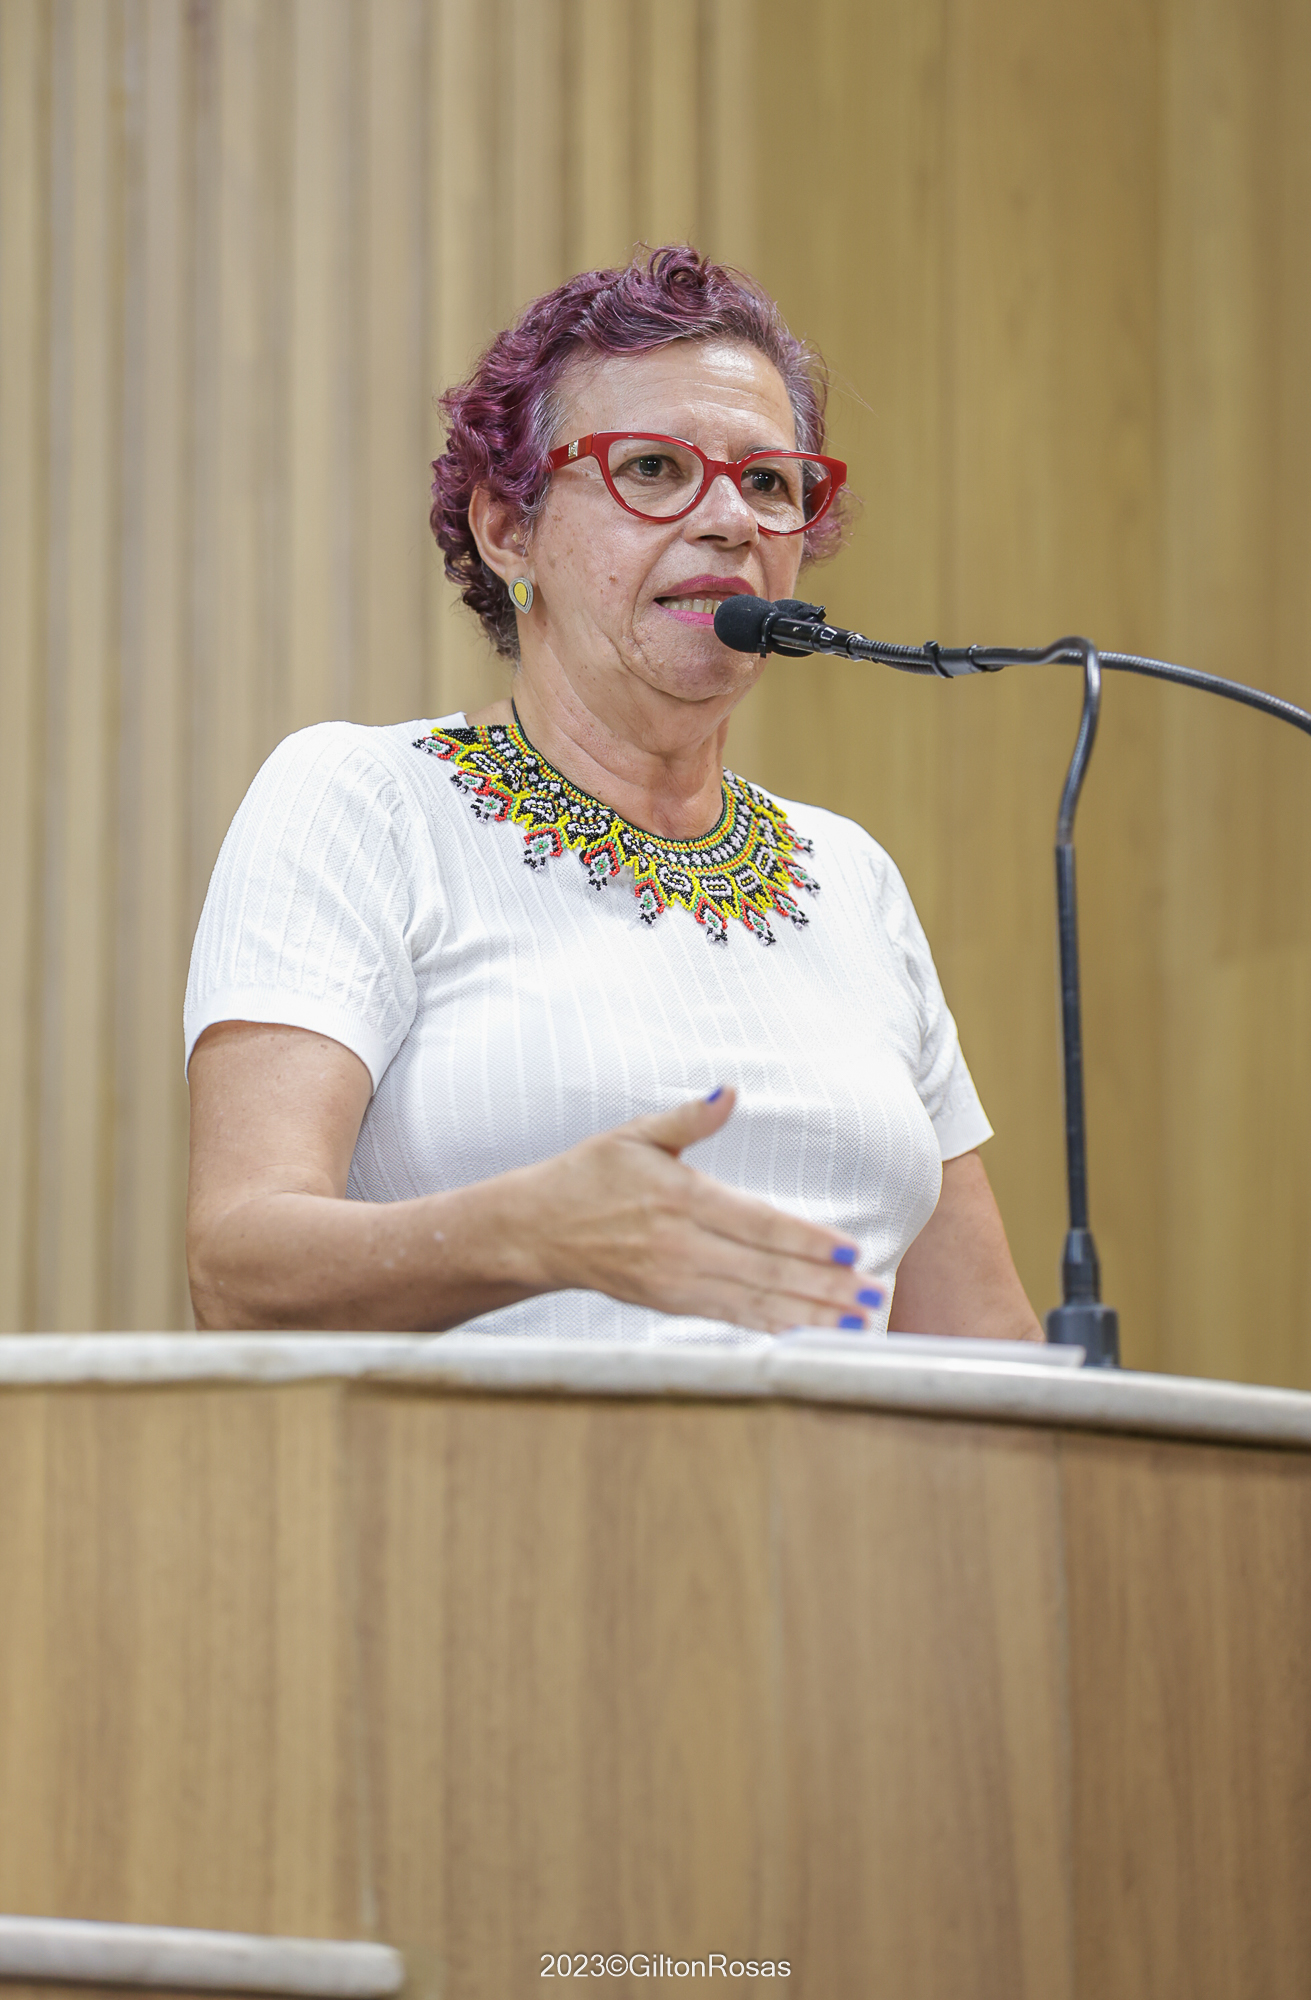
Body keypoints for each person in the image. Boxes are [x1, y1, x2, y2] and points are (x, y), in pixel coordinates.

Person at [185, 246, 1041, 1344]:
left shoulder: (851, 878)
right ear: (510, 531)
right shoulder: (367, 803)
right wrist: (529, 1233)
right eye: (653, 468)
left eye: (769, 483)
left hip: (842, 1466)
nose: (731, 519)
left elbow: (984, 1344)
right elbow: (238, 1269)